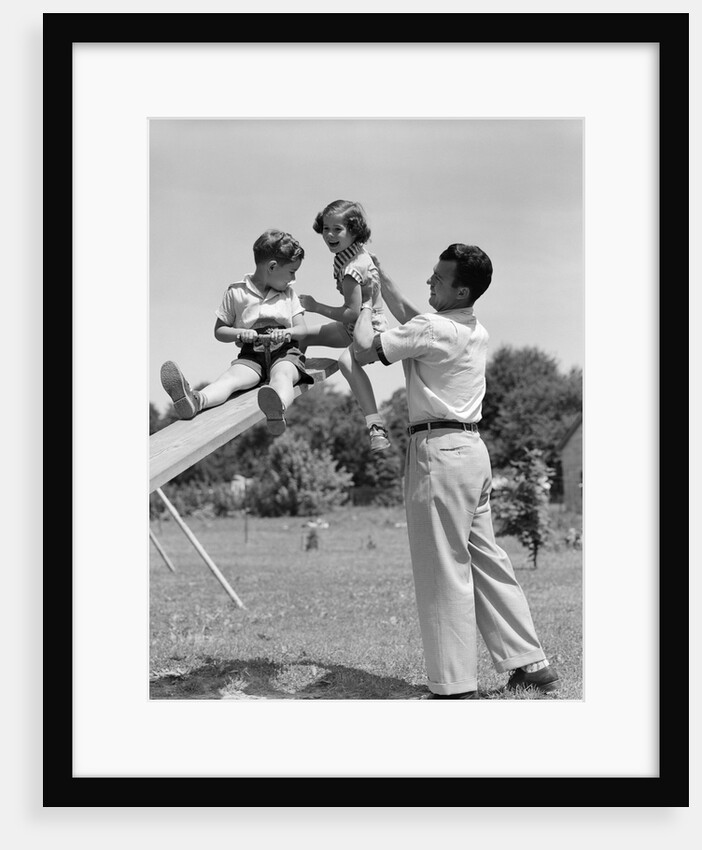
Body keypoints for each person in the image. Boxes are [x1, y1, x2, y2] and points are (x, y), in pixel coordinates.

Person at [352, 243, 560, 699]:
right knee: (487, 560)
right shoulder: (470, 327)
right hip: (471, 452)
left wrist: (366, 299)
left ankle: (453, 686)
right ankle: (531, 663)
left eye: (438, 279)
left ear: (460, 289)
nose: (430, 282)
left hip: (438, 453)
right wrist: (382, 276)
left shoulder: (431, 329)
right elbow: (417, 321)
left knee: (441, 569)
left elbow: (366, 349)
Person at [160, 229, 314, 435]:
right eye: (291, 272)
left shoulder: (289, 295)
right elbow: (220, 331)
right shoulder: (236, 292)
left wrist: (287, 333)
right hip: (252, 355)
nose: (293, 278)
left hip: (285, 353)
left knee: (283, 376)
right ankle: (196, 400)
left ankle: (278, 409)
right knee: (230, 379)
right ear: (272, 266)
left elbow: (302, 330)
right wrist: (240, 333)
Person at [298, 199, 391, 453]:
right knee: (301, 337)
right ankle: (286, 383)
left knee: (345, 362)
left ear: (353, 230)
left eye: (337, 229)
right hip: (352, 325)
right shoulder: (349, 253)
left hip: (369, 328)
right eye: (326, 228)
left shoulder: (352, 268)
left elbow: (350, 313)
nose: (329, 234)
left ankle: (376, 426)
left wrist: (315, 306)